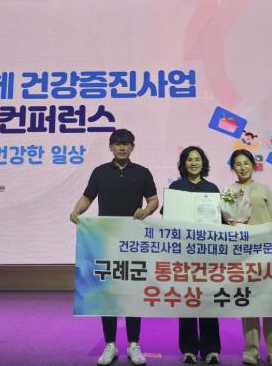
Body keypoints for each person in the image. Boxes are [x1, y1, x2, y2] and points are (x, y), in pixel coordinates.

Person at [69, 128, 159, 366]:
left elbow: (153, 200)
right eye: (117, 143)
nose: (121, 147)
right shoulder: (100, 172)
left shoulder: (142, 172)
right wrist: (77, 210)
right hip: (105, 242)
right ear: (110, 147)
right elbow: (87, 197)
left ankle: (133, 344)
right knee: (107, 293)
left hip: (133, 242)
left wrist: (146, 210)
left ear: (132, 147)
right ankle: (110, 344)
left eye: (126, 143)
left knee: (132, 292)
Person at [221, 149, 272, 366]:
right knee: (248, 303)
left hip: (266, 252)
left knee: (271, 302)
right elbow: (226, 218)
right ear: (233, 168)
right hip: (244, 253)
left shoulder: (264, 189)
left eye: (246, 163)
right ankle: (251, 352)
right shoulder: (229, 191)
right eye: (238, 164)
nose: (242, 167)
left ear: (253, 165)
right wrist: (230, 223)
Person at [166, 146, 221, 364]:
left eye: (198, 159)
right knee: (187, 300)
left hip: (208, 255)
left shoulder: (212, 188)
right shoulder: (175, 187)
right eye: (189, 159)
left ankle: (211, 349)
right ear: (183, 163)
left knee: (208, 300)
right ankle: (188, 349)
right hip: (184, 255)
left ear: (203, 163)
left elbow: (220, 220)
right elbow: (168, 218)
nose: (194, 163)